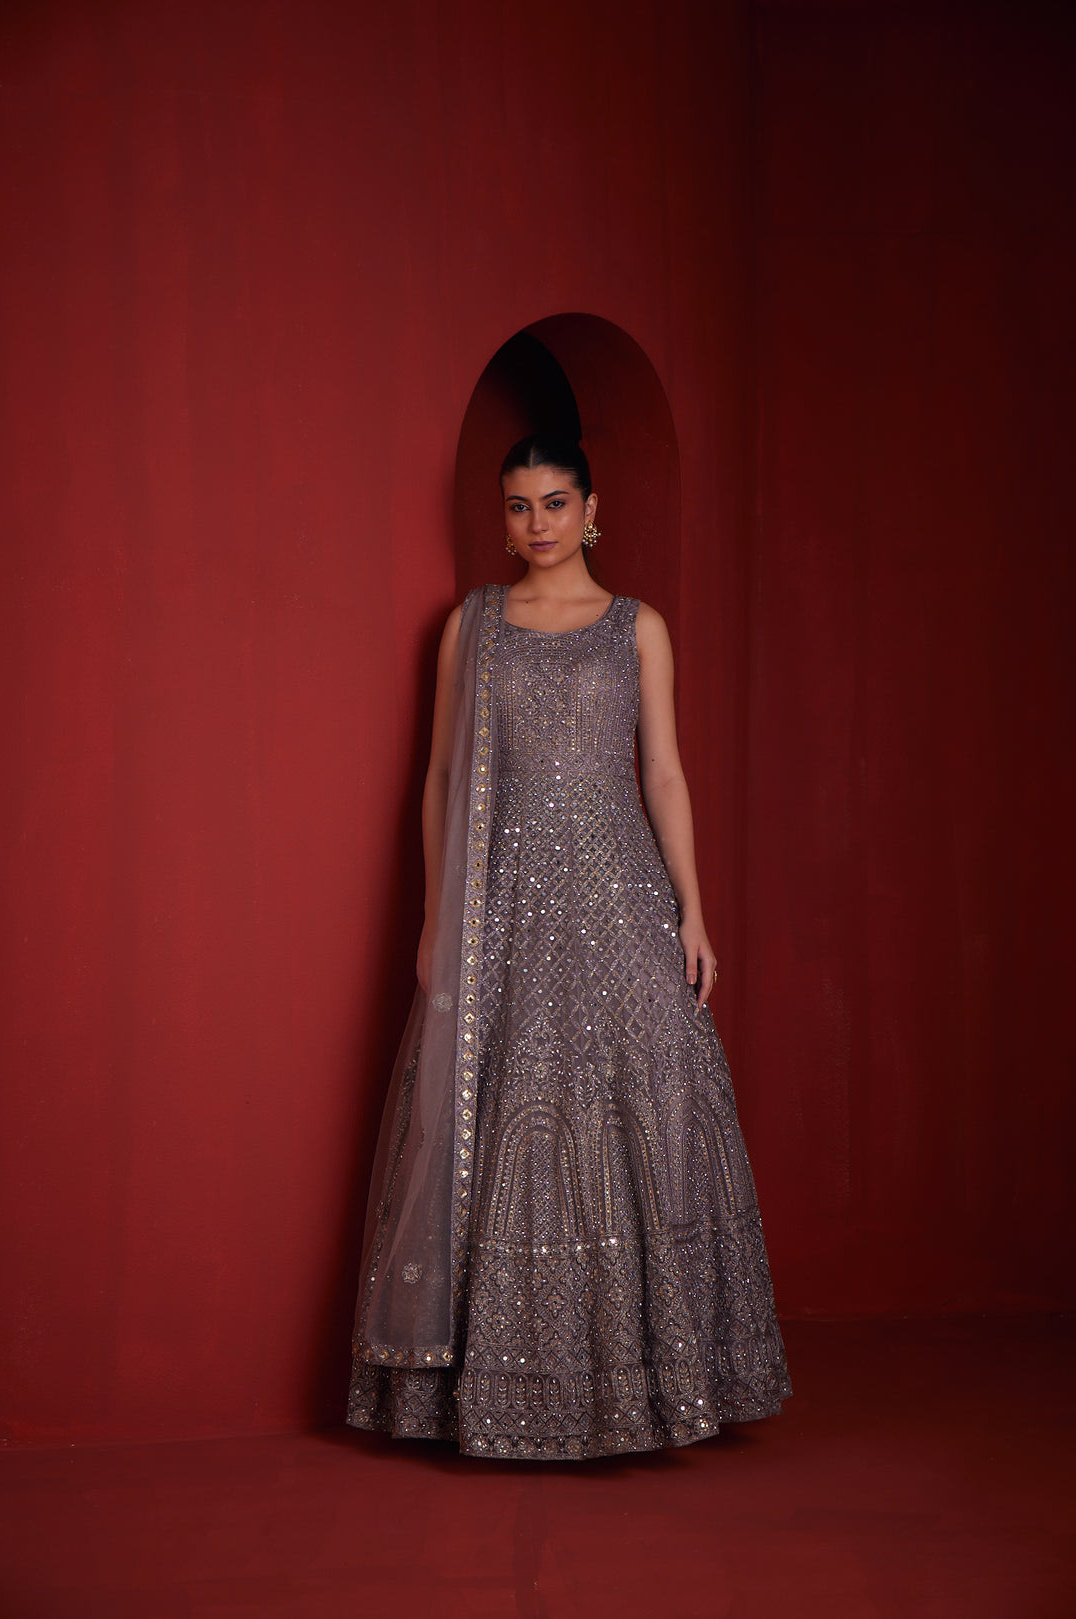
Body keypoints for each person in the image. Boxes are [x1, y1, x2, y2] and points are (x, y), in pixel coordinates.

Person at [346, 433, 792, 1460]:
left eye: (554, 502)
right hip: (501, 903)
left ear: (592, 508)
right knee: (510, 1100)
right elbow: (439, 777)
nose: (537, 523)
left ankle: (656, 1378)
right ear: (502, 519)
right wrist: (436, 916)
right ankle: (491, 1385)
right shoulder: (474, 626)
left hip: (621, 894)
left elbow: (664, 773)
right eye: (518, 505)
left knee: (642, 1096)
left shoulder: (639, 627)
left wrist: (693, 911)